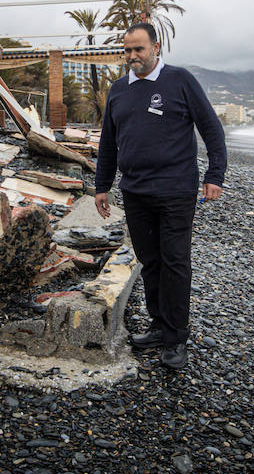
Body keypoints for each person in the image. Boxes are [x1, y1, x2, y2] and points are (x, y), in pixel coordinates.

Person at [94, 22, 226, 370]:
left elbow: (211, 129)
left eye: (139, 49)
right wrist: (101, 186)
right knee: (150, 261)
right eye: (127, 50)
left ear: (155, 47)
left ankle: (176, 337)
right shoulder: (119, 90)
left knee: (175, 263)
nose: (132, 56)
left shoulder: (180, 81)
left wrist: (215, 175)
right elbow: (108, 141)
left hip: (175, 191)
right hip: (135, 191)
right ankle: (157, 325)